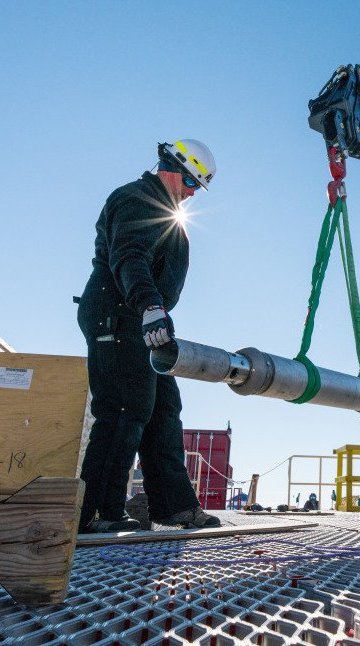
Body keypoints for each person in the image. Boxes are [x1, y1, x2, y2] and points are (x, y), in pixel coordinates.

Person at [76, 139, 221, 533]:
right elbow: (129, 255)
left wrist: (153, 309)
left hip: (141, 315)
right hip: (119, 314)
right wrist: (150, 306)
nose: (192, 194)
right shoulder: (137, 198)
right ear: (175, 169)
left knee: (162, 410)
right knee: (123, 410)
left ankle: (173, 506)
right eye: (191, 184)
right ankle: (93, 513)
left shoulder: (164, 209)